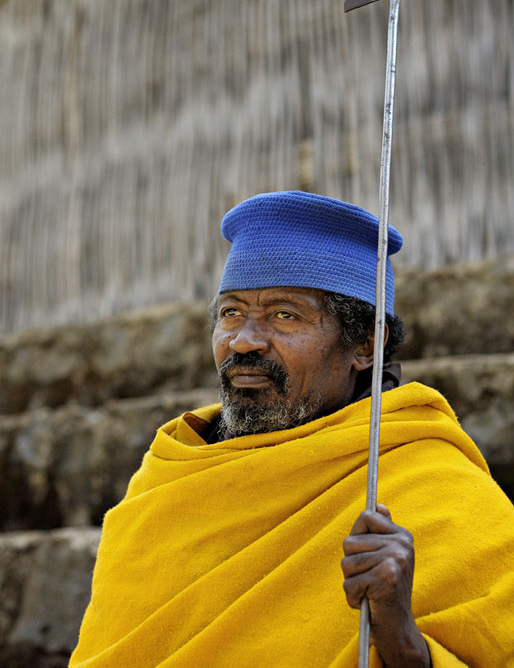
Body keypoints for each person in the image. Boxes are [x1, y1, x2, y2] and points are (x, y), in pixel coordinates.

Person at [70, 191, 514, 668]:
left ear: (366, 345)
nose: (243, 342)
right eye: (230, 313)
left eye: (285, 315)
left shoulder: (439, 492)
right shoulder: (166, 481)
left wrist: (401, 639)